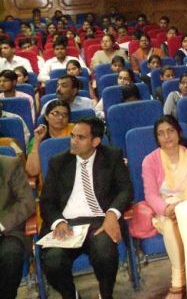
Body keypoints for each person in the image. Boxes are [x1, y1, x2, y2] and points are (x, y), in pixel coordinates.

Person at [40, 117, 133, 299]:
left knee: (105, 251)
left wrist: (112, 214)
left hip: (99, 221)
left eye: (80, 138)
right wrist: (58, 222)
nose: (73, 141)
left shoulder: (112, 156)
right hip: (67, 224)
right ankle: (71, 295)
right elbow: (47, 201)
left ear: (95, 141)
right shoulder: (58, 162)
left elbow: (126, 190)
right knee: (52, 261)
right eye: (72, 136)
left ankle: (105, 295)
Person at [142, 115, 187, 299]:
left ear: (178, 133)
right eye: (161, 134)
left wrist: (185, 210)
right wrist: (167, 209)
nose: (166, 136)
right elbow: (150, 194)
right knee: (169, 226)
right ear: (157, 138)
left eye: (170, 131)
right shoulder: (150, 161)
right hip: (163, 211)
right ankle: (178, 283)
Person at [0, 155, 36, 299]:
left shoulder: (10, 165)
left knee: (10, 256)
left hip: (9, 231)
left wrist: (1, 224)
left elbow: (27, 203)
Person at [25, 100, 73, 178]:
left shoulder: (75, 133)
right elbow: (32, 171)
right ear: (46, 116)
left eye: (65, 115)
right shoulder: (38, 138)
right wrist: (37, 141)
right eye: (55, 113)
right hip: (49, 182)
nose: (60, 117)